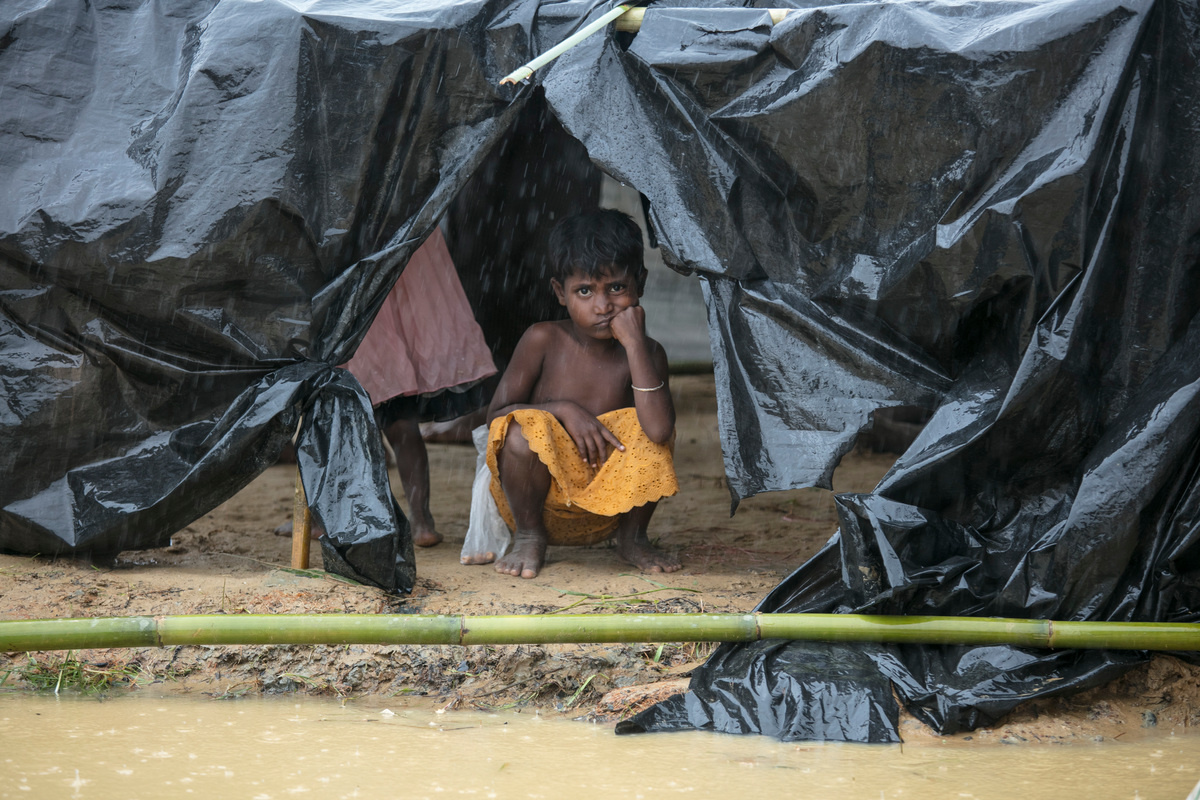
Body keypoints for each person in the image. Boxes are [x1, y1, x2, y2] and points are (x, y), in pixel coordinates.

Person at [481, 209, 681, 578]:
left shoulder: (649, 354)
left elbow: (659, 431)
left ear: (640, 283)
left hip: (612, 504)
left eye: (616, 288)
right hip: (540, 503)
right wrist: (561, 410)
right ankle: (529, 537)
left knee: (652, 429)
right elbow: (495, 417)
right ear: (560, 292)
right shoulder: (542, 339)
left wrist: (636, 345)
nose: (602, 307)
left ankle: (633, 538)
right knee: (521, 430)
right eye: (585, 291)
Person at [341, 226, 496, 547]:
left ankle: (320, 517)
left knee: (333, 421)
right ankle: (421, 519)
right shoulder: (399, 220)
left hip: (352, 290)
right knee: (400, 421)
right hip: (398, 276)